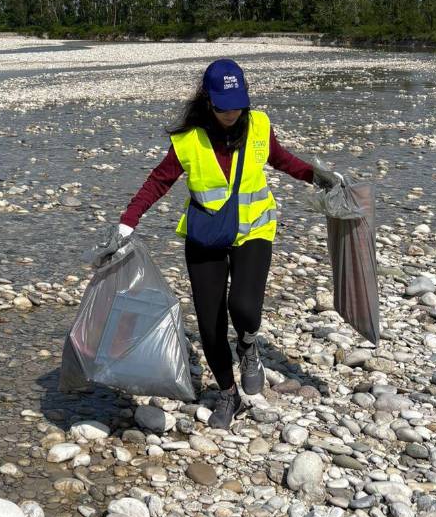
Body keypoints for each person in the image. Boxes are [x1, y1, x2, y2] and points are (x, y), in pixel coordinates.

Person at [111, 58, 340, 429]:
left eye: (237, 104)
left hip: (254, 230)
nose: (231, 113)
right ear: (208, 101)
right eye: (222, 106)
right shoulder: (187, 140)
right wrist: (126, 223)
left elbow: (281, 160)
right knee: (210, 325)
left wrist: (317, 176)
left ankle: (248, 347)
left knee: (244, 307)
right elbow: (158, 181)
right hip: (206, 237)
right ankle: (228, 393)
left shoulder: (260, 125)